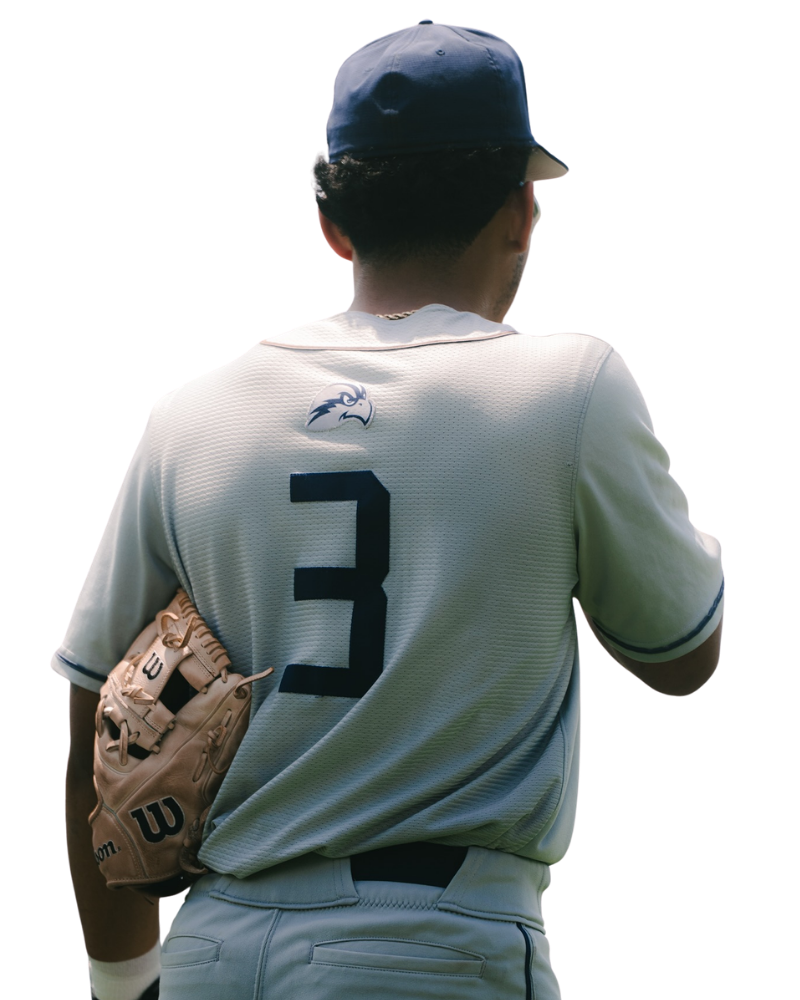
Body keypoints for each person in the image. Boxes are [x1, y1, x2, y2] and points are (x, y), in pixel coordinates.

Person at [59, 20, 725, 1000]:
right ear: (518, 210)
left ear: (333, 221)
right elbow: (680, 656)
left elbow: (95, 729)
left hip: (213, 950)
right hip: (426, 951)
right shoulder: (567, 385)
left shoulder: (189, 415)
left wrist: (122, 982)